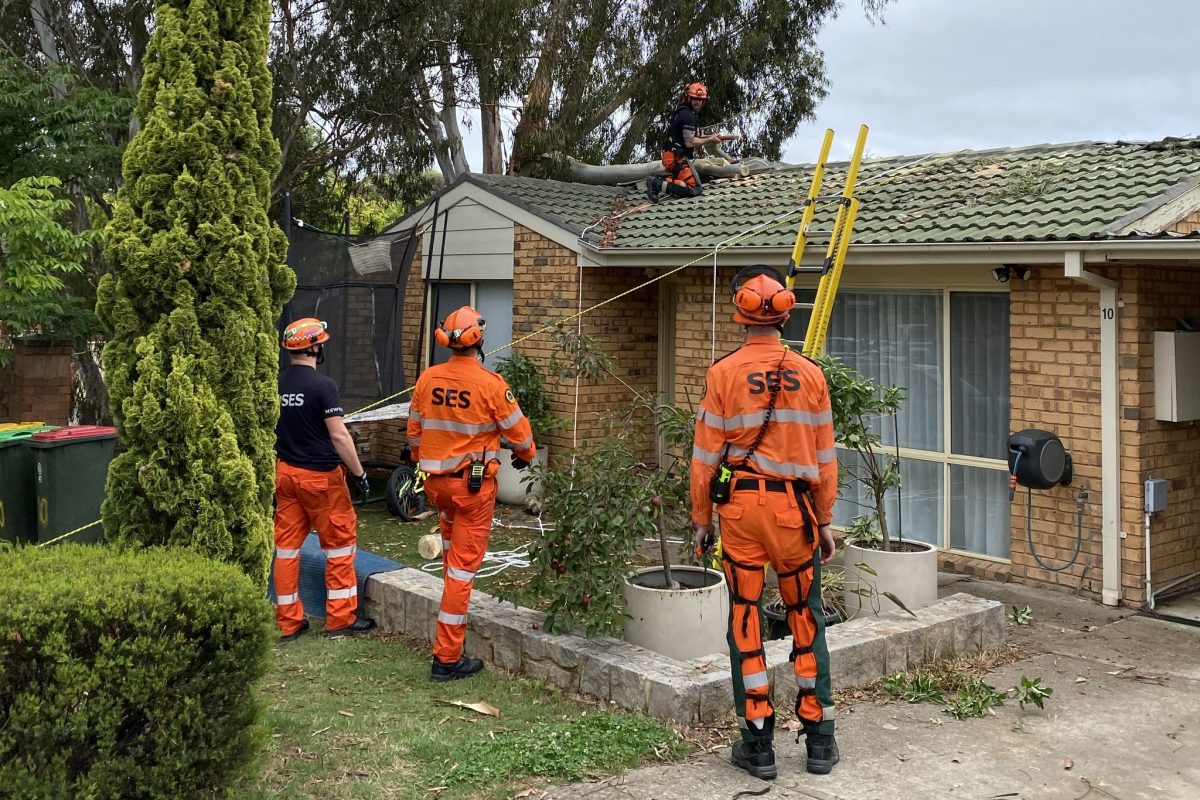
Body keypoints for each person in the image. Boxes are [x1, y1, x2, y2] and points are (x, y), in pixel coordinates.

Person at [689, 266, 840, 780]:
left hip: (741, 513)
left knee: (745, 619)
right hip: (795, 512)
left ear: (741, 314)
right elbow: (825, 459)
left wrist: (700, 519)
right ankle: (819, 739)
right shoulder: (812, 375)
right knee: (804, 616)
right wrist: (823, 520)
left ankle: (758, 743)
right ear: (786, 311)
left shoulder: (722, 374)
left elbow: (704, 459)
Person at [407, 306, 537, 682]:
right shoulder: (491, 384)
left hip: (437, 488)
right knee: (463, 572)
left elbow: (414, 434)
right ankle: (447, 658)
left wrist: (425, 458)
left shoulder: (427, 379)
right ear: (478, 340)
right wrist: (525, 458)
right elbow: (522, 437)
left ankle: (451, 630)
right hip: (471, 491)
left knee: (453, 560)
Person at [273, 317, 376, 641]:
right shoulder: (323, 386)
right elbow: (340, 437)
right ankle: (340, 620)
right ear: (315, 346)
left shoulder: (277, 384)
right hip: (322, 481)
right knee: (339, 548)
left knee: (287, 550)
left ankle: (288, 622)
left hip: (286, 475)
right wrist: (359, 473)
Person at [646, 81, 737, 201]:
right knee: (694, 187)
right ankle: (656, 183)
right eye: (694, 99)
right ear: (689, 98)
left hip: (674, 156)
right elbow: (690, 142)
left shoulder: (685, 113)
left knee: (687, 184)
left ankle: (663, 185)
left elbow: (694, 136)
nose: (697, 102)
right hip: (676, 158)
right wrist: (710, 139)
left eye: (700, 100)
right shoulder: (688, 115)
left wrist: (712, 137)